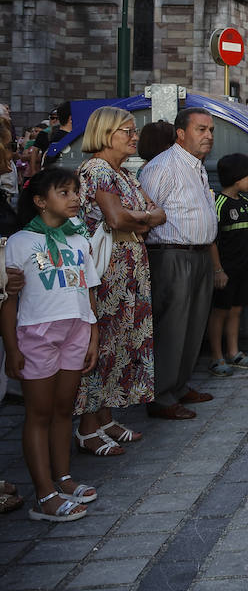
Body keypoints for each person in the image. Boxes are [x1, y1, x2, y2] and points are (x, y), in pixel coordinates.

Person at [1, 167, 100, 522]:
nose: (75, 198)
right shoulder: (20, 242)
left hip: (76, 330)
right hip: (36, 334)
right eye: (65, 192)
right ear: (41, 201)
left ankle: (63, 477)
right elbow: (9, 300)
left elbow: (88, 292)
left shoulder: (79, 239)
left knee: (63, 409)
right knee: (38, 414)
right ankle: (43, 494)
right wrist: (12, 348)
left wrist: (93, 335)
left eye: (76, 191)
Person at [73, 108, 163, 457]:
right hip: (108, 271)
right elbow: (115, 217)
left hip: (130, 268)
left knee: (120, 345)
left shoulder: (124, 173)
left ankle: (105, 418)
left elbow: (158, 213)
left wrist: (135, 219)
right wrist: (138, 219)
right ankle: (87, 427)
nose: (134, 136)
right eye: (126, 130)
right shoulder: (96, 170)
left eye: (134, 130)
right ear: (106, 133)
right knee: (103, 343)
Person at [139, 107, 218, 421]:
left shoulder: (196, 166)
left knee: (194, 323)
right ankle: (160, 394)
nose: (209, 136)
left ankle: (180, 384)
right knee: (171, 325)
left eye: (211, 130)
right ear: (181, 134)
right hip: (172, 254)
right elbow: (145, 212)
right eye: (201, 129)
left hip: (197, 254)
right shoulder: (163, 167)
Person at [204, 154, 248, 378]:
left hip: (242, 268)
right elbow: (213, 240)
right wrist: (218, 270)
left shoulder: (245, 204)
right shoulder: (220, 205)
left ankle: (234, 352)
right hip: (225, 271)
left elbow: (245, 238)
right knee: (220, 312)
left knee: (236, 310)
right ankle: (216, 357)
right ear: (237, 179)